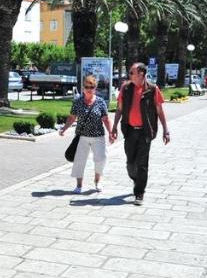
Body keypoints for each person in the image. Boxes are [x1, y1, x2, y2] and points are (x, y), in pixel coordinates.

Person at [111, 63, 170, 205]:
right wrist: (114, 127)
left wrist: (165, 130)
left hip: (145, 132)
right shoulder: (125, 88)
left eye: (132, 72)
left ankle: (139, 193)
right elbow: (119, 109)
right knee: (130, 164)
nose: (129, 74)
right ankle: (137, 180)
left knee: (142, 164)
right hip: (130, 130)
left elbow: (159, 110)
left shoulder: (152, 89)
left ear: (141, 74)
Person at [59, 75, 112, 193]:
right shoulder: (77, 102)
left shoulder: (100, 102)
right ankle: (79, 185)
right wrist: (64, 128)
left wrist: (111, 132)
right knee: (80, 161)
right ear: (83, 88)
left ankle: (97, 181)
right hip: (82, 136)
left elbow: (105, 119)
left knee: (101, 159)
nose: (89, 89)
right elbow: (72, 118)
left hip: (98, 136)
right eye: (87, 86)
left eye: (92, 86)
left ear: (95, 88)